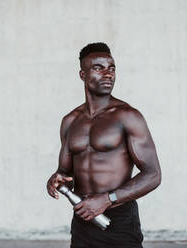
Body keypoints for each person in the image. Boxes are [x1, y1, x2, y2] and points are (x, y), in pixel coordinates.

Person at [46, 42, 161, 248]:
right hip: (83, 222)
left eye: (112, 68)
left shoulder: (128, 116)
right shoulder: (70, 121)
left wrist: (108, 199)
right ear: (82, 75)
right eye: (99, 68)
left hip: (119, 222)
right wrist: (57, 180)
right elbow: (65, 173)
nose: (108, 74)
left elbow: (153, 175)